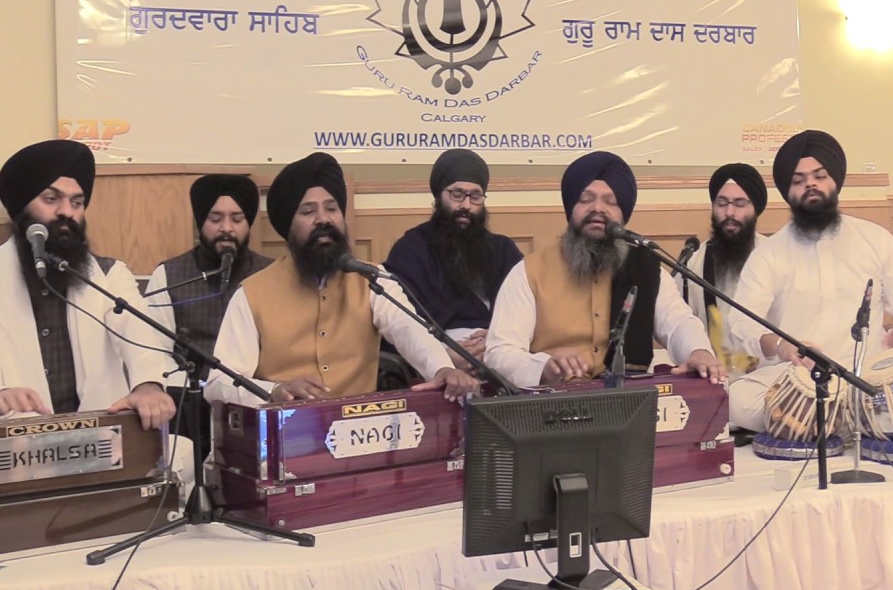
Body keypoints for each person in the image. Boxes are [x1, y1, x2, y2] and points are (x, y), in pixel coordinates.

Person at [0, 140, 177, 431]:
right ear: (21, 210)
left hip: (101, 438)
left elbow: (141, 339)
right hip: (14, 445)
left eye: (77, 202)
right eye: (51, 199)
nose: (67, 212)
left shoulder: (109, 276)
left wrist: (148, 385)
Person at [205, 152, 480, 406]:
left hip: (362, 430)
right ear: (288, 226)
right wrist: (275, 390)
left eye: (331, 208)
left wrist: (441, 368)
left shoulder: (372, 280)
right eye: (308, 211)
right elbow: (218, 384)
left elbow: (407, 328)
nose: (323, 219)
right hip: (286, 434)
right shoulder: (253, 294)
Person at [726, 130, 893, 431]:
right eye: (798, 181)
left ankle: (814, 424)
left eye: (820, 176)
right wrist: (781, 346)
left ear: (834, 181)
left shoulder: (875, 239)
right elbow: (742, 322)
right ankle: (846, 421)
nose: (811, 185)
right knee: (736, 398)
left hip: (867, 373)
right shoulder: (769, 254)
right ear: (788, 192)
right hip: (797, 378)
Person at [485, 151, 724, 388]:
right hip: (553, 401)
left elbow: (679, 323)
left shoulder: (647, 270)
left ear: (623, 214)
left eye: (610, 201)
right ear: (571, 207)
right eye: (586, 199)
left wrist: (698, 351)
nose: (597, 208)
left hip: (627, 401)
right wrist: (542, 367)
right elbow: (499, 352)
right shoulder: (529, 272)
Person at [148, 174, 273, 450]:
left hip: (255, 405)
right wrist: (196, 387)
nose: (226, 228)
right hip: (187, 406)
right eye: (215, 219)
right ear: (200, 222)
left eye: (237, 219)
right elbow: (155, 352)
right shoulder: (169, 274)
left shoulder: (272, 275)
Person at [383, 149, 522, 372]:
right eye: (457, 194)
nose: (466, 205)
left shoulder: (504, 251)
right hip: (437, 362)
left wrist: (501, 336)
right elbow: (398, 324)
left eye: (475, 196)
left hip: (501, 355)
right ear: (439, 196)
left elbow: (527, 313)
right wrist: (440, 357)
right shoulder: (410, 250)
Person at [674, 162, 768, 329]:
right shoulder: (693, 264)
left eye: (739, 204)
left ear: (756, 209)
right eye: (722, 203)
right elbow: (679, 326)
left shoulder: (774, 257)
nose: (729, 212)